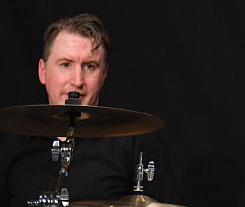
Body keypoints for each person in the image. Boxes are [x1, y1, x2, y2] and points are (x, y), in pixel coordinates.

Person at [0, 14, 179, 207]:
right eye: (66, 64)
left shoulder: (136, 141)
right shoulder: (11, 147)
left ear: (104, 74)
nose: (77, 81)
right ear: (42, 71)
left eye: (89, 66)